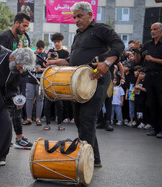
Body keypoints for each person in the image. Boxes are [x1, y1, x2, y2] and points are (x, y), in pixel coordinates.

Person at [46, 2, 124, 167]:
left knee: (87, 118)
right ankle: (93, 158)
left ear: (90, 14)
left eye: (80, 16)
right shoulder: (78, 35)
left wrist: (107, 64)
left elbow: (119, 45)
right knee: (80, 121)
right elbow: (73, 58)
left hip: (97, 79)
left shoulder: (101, 28)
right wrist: (59, 61)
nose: (76, 20)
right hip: (80, 82)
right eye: (74, 17)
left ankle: (85, 161)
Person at [0, 12, 33, 149]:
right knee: (5, 110)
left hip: (13, 79)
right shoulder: (4, 37)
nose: (25, 29)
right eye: (24, 25)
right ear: (16, 23)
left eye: (27, 26)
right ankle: (10, 138)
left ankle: (18, 138)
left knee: (16, 107)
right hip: (4, 81)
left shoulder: (17, 39)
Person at [134, 22, 162, 138]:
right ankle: (155, 127)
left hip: (160, 76)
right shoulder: (147, 45)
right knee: (151, 103)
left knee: (161, 103)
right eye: (151, 29)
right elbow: (138, 61)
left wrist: (153, 59)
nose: (152, 31)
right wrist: (136, 51)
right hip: (149, 76)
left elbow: (152, 60)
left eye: (155, 29)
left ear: (160, 30)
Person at [43, 32, 69, 131]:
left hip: (60, 79)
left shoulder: (65, 53)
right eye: (54, 42)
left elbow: (68, 65)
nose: (56, 43)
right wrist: (48, 58)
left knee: (60, 104)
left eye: (58, 41)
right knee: (47, 103)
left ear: (61, 41)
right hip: (49, 79)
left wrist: (58, 60)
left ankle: (59, 124)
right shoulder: (50, 51)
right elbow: (45, 65)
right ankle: (47, 123)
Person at [24, 40, 46, 126]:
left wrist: (41, 69)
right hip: (30, 79)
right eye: (37, 48)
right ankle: (28, 118)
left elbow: (49, 68)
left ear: (43, 48)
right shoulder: (32, 54)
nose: (39, 50)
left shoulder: (45, 56)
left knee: (40, 99)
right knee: (29, 98)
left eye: (40, 49)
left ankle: (38, 118)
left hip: (40, 80)